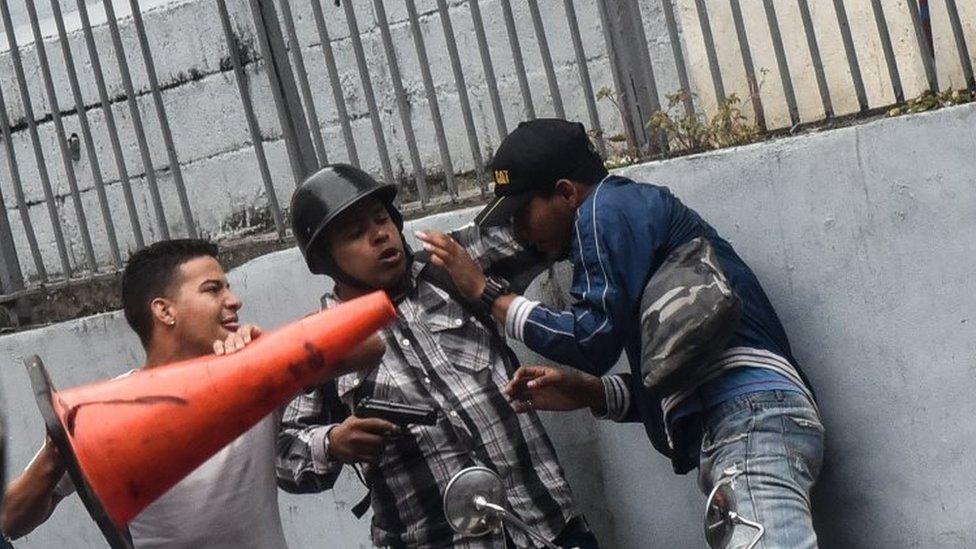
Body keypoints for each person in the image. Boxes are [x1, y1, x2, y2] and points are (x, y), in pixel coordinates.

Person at [417, 119, 824, 548]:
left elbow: (590, 341)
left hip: (747, 416)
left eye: (521, 214)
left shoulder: (602, 210)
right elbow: (679, 367)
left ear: (566, 192)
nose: (519, 232)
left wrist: (485, 293)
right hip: (746, 417)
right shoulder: (629, 224)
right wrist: (593, 393)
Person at [276, 164, 597, 548]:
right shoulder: (318, 340)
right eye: (356, 234)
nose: (379, 235)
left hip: (545, 525)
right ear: (327, 260)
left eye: (382, 220)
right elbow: (283, 456)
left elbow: (547, 222)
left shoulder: (450, 266)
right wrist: (332, 441)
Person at [0, 239, 383, 548]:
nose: (234, 301)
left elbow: (371, 345)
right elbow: (11, 520)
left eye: (228, 287)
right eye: (213, 289)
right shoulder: (108, 409)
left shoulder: (252, 379)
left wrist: (272, 352)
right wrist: (62, 449)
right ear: (165, 311)